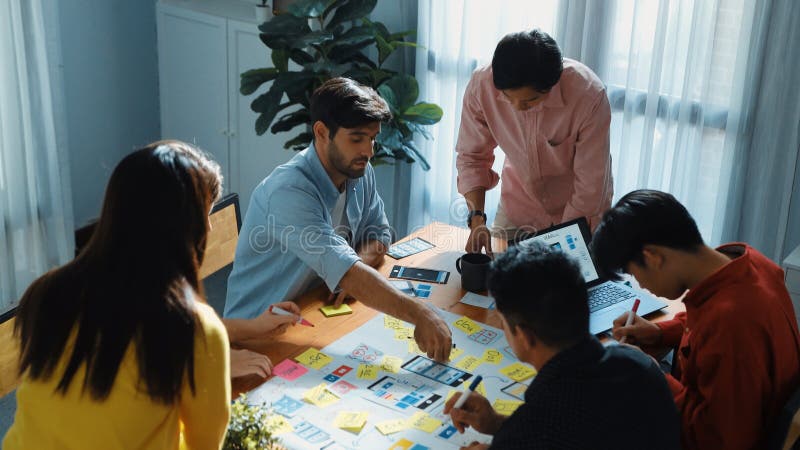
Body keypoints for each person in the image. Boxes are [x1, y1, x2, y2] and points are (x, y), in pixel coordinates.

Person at [4, 141, 231, 450]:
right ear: (188, 227)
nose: (209, 226)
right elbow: (204, 444)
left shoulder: (49, 290)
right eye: (205, 215)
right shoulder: (192, 328)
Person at [225, 77, 452, 361]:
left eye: (372, 138)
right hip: (255, 339)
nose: (368, 151)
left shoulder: (357, 169)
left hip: (315, 310)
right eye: (356, 139)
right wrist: (418, 312)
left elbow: (379, 235)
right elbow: (345, 269)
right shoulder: (288, 192)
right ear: (321, 132)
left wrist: (354, 271)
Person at [591, 189, 800, 450]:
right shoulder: (747, 265)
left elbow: (714, 440)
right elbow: (701, 319)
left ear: (652, 257)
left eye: (634, 275)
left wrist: (649, 373)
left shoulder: (731, 322)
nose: (641, 286)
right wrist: (658, 332)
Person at [444, 241, 680, 450]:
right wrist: (497, 424)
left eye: (504, 322)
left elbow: (548, 430)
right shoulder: (641, 366)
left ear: (524, 336)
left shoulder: (534, 425)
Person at [457, 29, 613, 255]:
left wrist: (562, 245)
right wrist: (477, 220)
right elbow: (472, 158)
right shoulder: (482, 86)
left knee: (567, 285)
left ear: (552, 84)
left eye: (530, 100)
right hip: (519, 203)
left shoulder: (588, 95)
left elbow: (590, 187)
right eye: (508, 98)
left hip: (580, 211)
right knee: (499, 280)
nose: (517, 107)